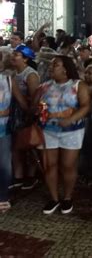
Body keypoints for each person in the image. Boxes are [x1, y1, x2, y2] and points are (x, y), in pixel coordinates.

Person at [35, 56, 90, 214]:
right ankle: (53, 198)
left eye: (55, 65)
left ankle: (67, 197)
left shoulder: (78, 85)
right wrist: (39, 109)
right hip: (48, 131)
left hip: (71, 131)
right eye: (51, 65)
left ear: (65, 69)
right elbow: (36, 106)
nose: (51, 68)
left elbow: (86, 106)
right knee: (49, 165)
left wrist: (71, 118)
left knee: (68, 166)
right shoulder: (44, 86)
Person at [10, 45, 40, 190]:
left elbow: (35, 99)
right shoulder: (14, 73)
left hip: (26, 113)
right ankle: (19, 176)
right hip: (15, 113)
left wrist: (29, 112)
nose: (12, 57)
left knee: (28, 144)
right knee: (16, 145)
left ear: (26, 59)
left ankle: (32, 175)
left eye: (16, 55)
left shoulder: (30, 74)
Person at [0, 72, 29, 211]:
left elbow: (21, 103)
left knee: (4, 165)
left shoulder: (7, 80)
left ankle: (3, 197)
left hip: (4, 130)